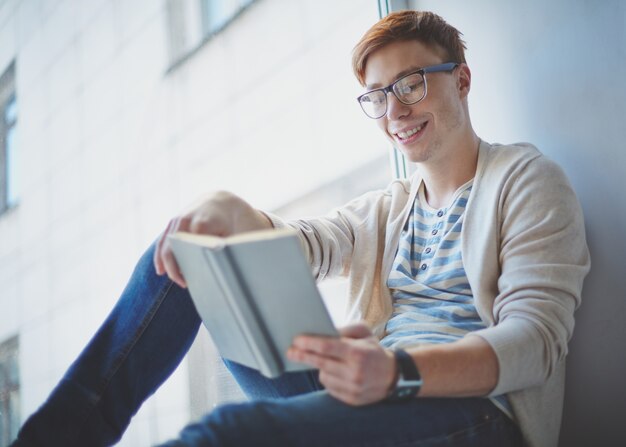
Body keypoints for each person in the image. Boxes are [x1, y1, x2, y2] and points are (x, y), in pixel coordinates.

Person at [12, 10, 589, 447]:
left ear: (461, 80)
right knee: (179, 264)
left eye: (411, 84)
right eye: (378, 96)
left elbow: (533, 343)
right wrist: (222, 207)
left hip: (473, 409)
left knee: (227, 433)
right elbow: (304, 245)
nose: (394, 112)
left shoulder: (528, 179)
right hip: (372, 385)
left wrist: (398, 373)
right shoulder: (388, 208)